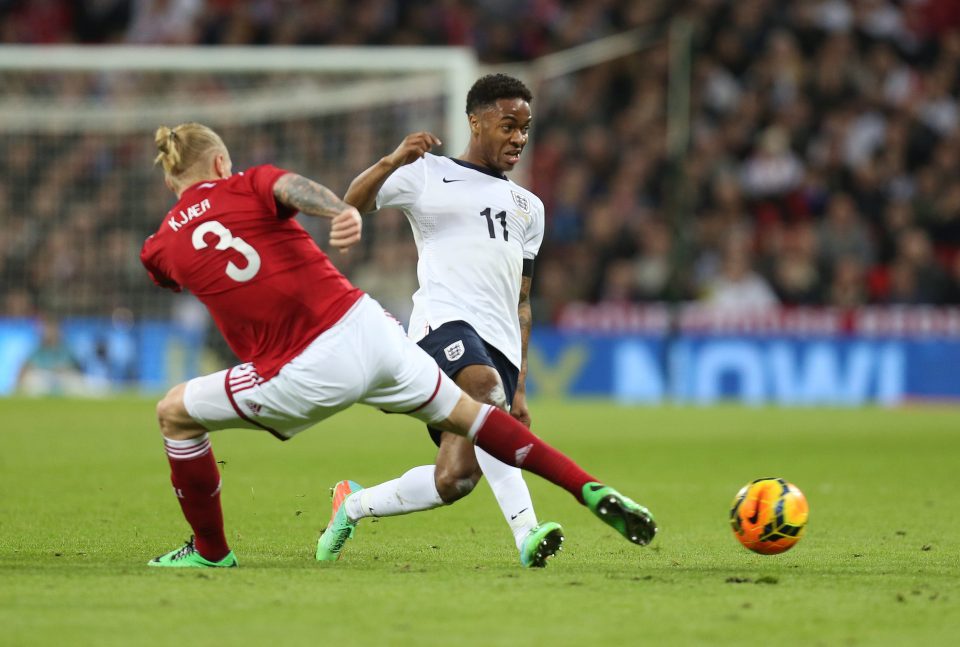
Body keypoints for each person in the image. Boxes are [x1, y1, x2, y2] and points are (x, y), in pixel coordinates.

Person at [141, 121, 657, 568]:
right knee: (480, 420)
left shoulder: (159, 245)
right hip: (374, 329)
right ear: (220, 161)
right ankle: (586, 488)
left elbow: (173, 274)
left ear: (170, 179)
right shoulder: (252, 182)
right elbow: (298, 189)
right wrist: (339, 214)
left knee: (174, 413)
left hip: (303, 367)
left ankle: (210, 549)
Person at [321, 73, 559, 568]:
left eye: (526, 128)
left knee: (455, 479)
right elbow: (352, 203)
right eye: (508, 124)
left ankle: (353, 504)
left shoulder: (529, 208)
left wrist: (521, 386)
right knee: (483, 389)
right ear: (475, 121)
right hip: (442, 328)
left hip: (500, 348)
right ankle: (528, 534)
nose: (519, 137)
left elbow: (523, 303)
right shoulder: (427, 172)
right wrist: (392, 161)